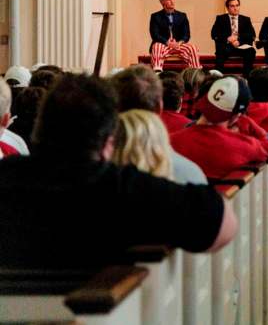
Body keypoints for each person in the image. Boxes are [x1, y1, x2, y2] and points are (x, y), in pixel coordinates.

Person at [0, 73, 237, 267]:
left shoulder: (6, 175)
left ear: (39, 126)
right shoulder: (126, 187)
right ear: (109, 139)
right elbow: (225, 225)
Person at [171, 76, 268, 179]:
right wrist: (247, 121)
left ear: (205, 100)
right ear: (236, 115)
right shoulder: (242, 146)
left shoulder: (171, 141)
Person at [148, 0, 202, 72]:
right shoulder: (155, 16)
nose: (172, 1)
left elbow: (186, 34)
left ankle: (195, 72)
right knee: (156, 46)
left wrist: (179, 43)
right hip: (163, 44)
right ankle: (157, 71)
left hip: (178, 44)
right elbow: (155, 34)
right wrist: (168, 43)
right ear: (163, 2)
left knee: (192, 48)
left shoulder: (182, 15)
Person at [211, 0, 257, 77]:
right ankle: (218, 78)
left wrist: (238, 39)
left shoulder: (245, 19)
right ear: (227, 8)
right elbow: (214, 34)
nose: (235, 8)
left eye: (237, 5)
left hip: (242, 46)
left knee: (251, 51)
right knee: (220, 52)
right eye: (232, 6)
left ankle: (247, 77)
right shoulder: (221, 18)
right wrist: (228, 39)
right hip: (226, 46)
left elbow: (252, 35)